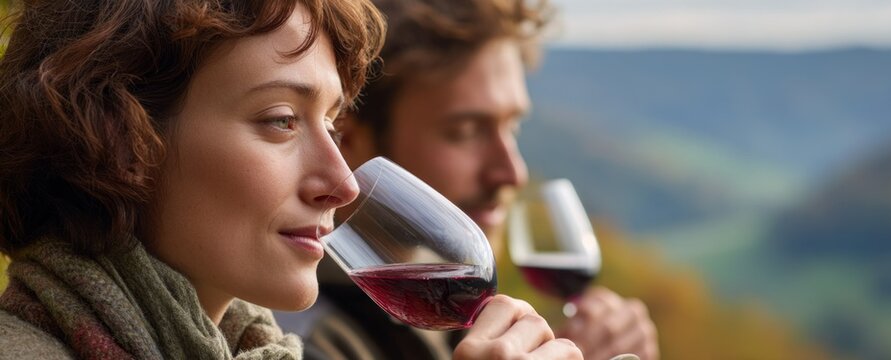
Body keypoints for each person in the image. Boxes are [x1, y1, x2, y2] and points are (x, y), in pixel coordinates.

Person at [0, 1, 582, 359]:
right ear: (122, 139)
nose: (343, 181)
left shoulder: (258, 348)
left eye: (331, 121)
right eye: (280, 121)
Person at [296, 0, 659, 359]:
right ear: (350, 141)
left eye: (512, 126)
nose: (513, 172)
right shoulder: (303, 341)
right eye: (465, 131)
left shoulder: (430, 315)